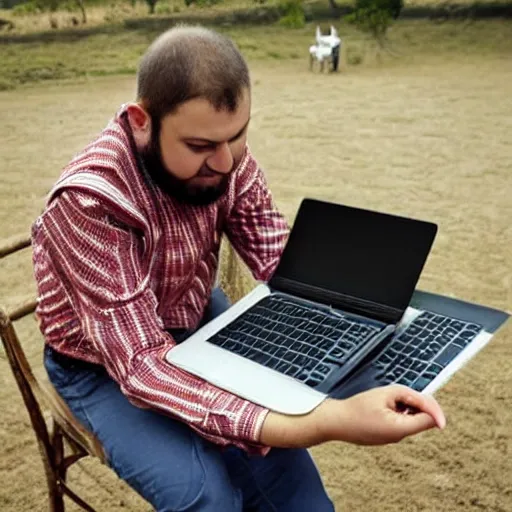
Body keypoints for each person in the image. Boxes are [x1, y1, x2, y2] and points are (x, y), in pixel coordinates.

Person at [32, 25, 446, 512]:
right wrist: (323, 419)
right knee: (206, 496)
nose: (226, 161)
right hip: (99, 363)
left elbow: (279, 260)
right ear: (142, 120)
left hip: (197, 317)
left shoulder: (223, 156)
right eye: (201, 145)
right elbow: (143, 365)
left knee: (298, 493)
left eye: (238, 135)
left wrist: (379, 320)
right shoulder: (89, 204)